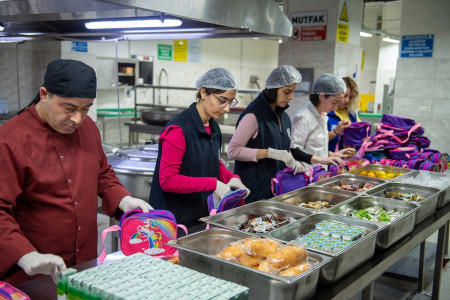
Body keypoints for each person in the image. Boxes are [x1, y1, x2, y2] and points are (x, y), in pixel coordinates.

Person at [0, 59, 151, 285]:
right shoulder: (11, 140)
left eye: (85, 108)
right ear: (44, 94)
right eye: (69, 108)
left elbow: (102, 173)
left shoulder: (88, 128)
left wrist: (123, 200)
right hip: (32, 276)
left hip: (85, 267)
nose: (77, 119)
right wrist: (24, 254)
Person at [149, 68, 249, 228]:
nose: (227, 108)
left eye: (230, 102)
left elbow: (213, 162)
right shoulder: (178, 130)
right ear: (203, 93)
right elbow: (168, 180)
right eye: (222, 100)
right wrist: (213, 184)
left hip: (201, 214)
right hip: (174, 221)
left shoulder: (213, 127)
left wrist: (231, 178)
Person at [228, 65, 320, 204]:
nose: (291, 97)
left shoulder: (283, 116)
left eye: (293, 92)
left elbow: (282, 147)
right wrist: (270, 153)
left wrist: (292, 163)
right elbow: (233, 151)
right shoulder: (254, 115)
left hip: (275, 191)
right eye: (286, 92)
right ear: (273, 89)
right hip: (254, 193)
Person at [290, 73, 355, 167]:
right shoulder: (303, 117)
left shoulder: (323, 116)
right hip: (306, 175)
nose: (336, 107)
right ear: (321, 96)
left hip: (320, 174)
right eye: (335, 102)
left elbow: (314, 148)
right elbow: (294, 151)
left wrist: (332, 154)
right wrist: (321, 160)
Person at [328, 76, 361, 151]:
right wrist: (336, 131)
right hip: (330, 160)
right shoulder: (327, 114)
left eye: (351, 97)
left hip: (349, 159)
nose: (347, 100)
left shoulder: (352, 115)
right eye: (344, 96)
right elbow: (317, 141)